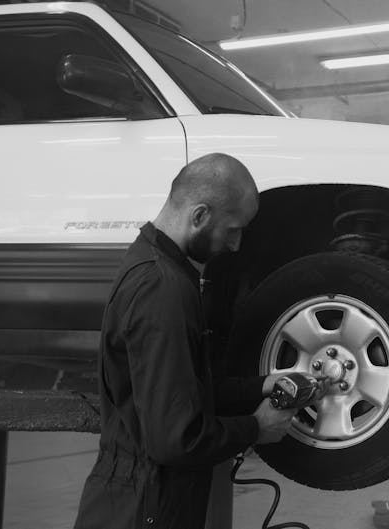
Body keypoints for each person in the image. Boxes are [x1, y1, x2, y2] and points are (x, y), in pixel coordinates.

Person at [74, 153, 295, 529]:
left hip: (141, 500)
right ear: (200, 216)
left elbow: (182, 392)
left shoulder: (155, 265)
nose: (237, 244)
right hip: (142, 511)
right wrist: (256, 427)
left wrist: (260, 387)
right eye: (233, 229)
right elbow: (176, 438)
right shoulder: (162, 290)